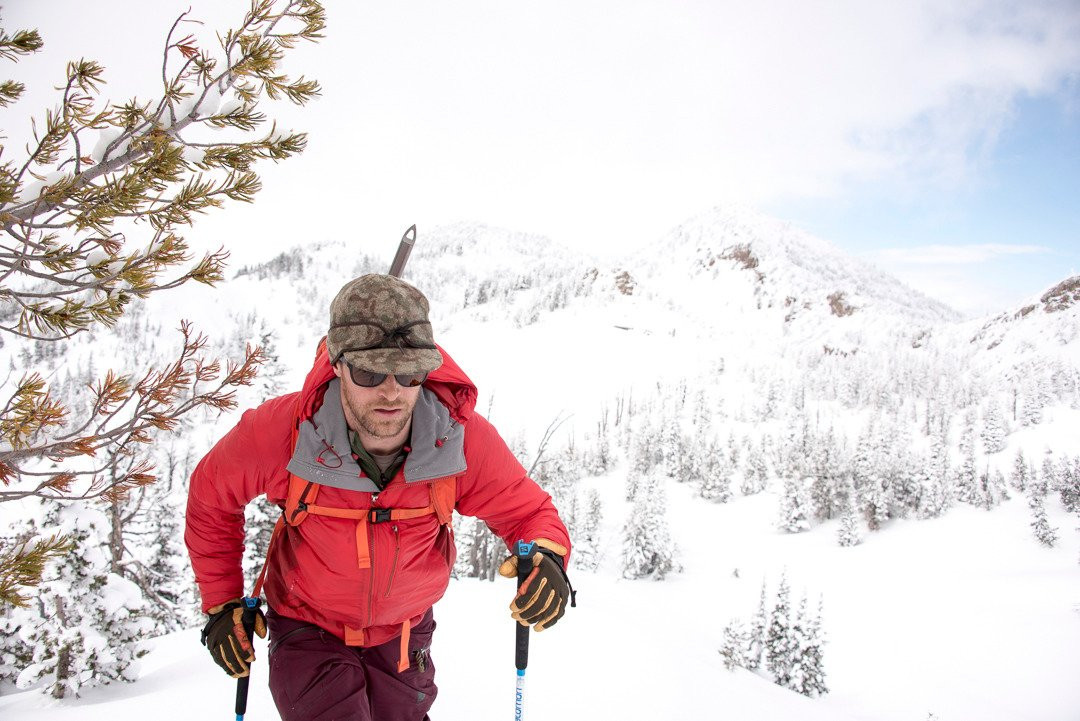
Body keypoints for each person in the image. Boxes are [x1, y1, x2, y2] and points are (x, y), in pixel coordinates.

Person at [185, 274, 574, 721]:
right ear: (337, 365)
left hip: (406, 635)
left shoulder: (457, 439)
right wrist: (222, 602)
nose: (391, 391)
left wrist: (547, 556)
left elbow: (527, 511)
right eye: (370, 372)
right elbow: (211, 500)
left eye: (408, 373)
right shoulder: (285, 433)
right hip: (309, 627)